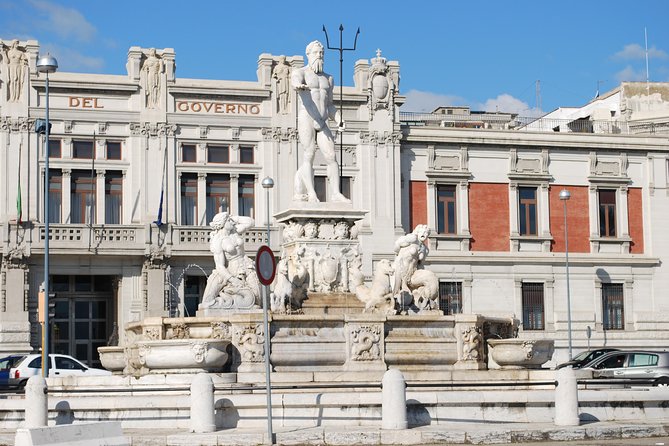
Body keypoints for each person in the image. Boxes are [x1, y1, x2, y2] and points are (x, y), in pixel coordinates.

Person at [292, 40, 349, 203]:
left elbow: (329, 105)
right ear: (308, 54)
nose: (320, 56)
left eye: (322, 53)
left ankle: (336, 193)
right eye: (316, 52)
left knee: (331, 156)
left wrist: (338, 119)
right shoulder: (300, 72)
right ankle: (311, 193)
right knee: (309, 154)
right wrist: (298, 86)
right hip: (307, 118)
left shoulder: (328, 79)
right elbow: (295, 81)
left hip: (323, 121)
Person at [199, 212, 260, 309]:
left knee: (257, 300)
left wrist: (234, 218)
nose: (231, 222)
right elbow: (220, 266)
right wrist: (232, 279)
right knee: (207, 302)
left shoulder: (235, 231)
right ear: (222, 223)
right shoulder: (217, 240)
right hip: (229, 270)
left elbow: (251, 222)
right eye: (228, 220)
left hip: (246, 266)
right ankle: (225, 300)